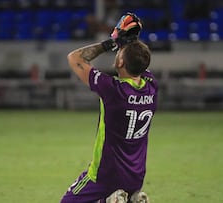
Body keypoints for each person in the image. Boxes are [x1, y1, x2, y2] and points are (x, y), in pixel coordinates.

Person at [60, 13, 157, 203]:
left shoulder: (113, 90)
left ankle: (108, 201)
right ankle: (131, 199)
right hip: (135, 177)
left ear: (120, 62)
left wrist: (110, 43)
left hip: (106, 175)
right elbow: (139, 61)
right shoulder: (152, 87)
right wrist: (130, 44)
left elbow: (75, 58)